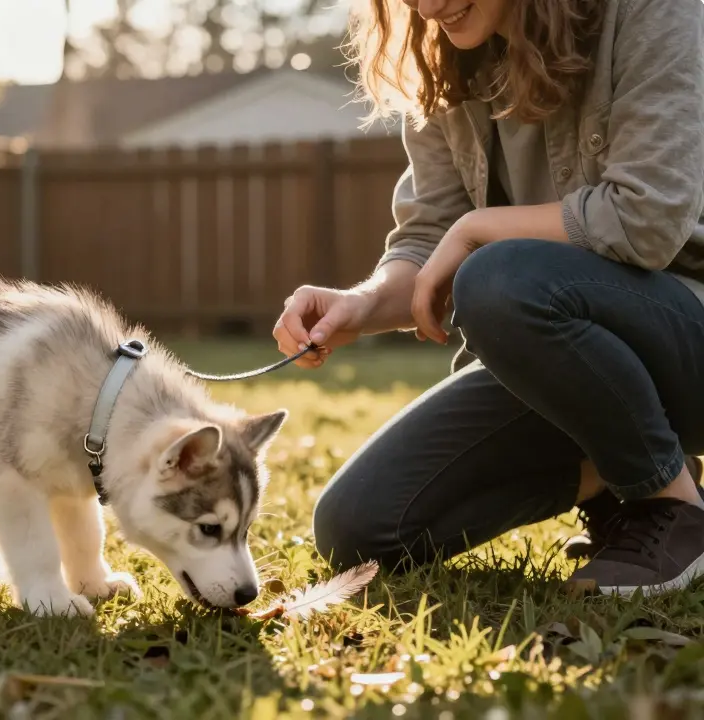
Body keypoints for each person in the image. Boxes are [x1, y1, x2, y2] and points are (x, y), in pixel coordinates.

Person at [274, 0, 704, 596]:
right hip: (562, 359)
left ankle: (673, 507)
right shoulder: (444, 60)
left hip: (688, 331)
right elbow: (430, 238)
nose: (427, 8)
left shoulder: (652, 10)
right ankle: (611, 471)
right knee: (359, 527)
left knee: (497, 275)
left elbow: (648, 217)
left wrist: (480, 230)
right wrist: (363, 305)